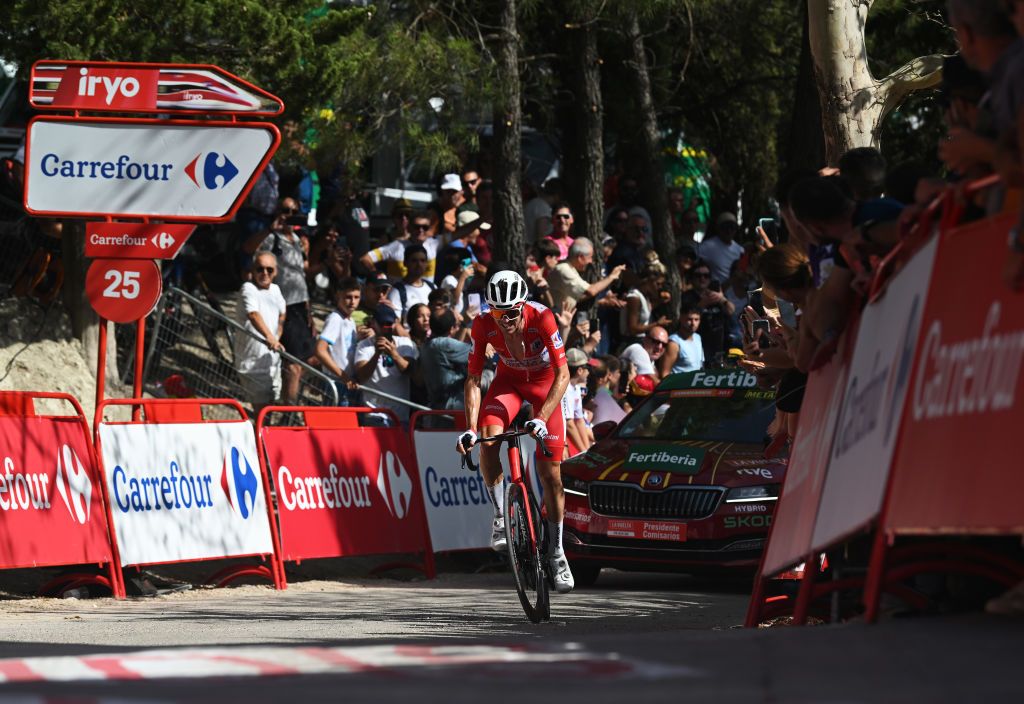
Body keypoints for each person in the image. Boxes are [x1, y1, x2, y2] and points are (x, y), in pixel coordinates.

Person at [456, 271, 574, 594]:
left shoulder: (543, 318)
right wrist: (469, 427)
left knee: (551, 474)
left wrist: (542, 416)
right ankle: (499, 515)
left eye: (510, 312)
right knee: (488, 438)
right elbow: (473, 378)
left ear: (522, 306)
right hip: (508, 384)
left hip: (544, 386)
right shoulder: (482, 325)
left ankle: (557, 552)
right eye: (497, 312)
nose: (504, 319)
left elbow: (564, 374)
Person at [244, 197, 316, 405]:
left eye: (294, 211)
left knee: (308, 359)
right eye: (286, 210)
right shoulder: (271, 237)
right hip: (285, 306)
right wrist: (270, 228)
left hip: (301, 306)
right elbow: (248, 249)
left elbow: (302, 276)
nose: (289, 216)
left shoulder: (297, 239)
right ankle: (289, 410)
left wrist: (309, 309)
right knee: (295, 364)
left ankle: (289, 402)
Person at [234, 253, 287, 416]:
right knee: (262, 413)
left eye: (269, 270)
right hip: (252, 363)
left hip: (272, 361)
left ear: (275, 272)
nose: (264, 273)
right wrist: (270, 338)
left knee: (269, 410)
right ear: (253, 270)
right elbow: (253, 315)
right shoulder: (248, 288)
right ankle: (260, 440)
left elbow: (282, 315)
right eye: (260, 269)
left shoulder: (276, 290)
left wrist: (276, 336)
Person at [354, 304, 418, 425]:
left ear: (395, 323)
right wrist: (376, 354)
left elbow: (410, 371)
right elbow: (361, 377)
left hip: (400, 416)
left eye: (389, 324)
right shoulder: (363, 345)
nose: (386, 328)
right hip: (374, 414)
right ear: (373, 323)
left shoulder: (405, 343)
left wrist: (394, 354)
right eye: (382, 324)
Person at [547, 238, 627, 314]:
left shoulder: (570, 268)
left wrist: (603, 301)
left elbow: (579, 295)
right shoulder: (564, 269)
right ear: (580, 257)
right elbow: (591, 291)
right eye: (590, 257)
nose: (591, 261)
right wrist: (612, 276)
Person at [316, 278, 363, 406]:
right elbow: (320, 350)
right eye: (348, 297)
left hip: (348, 382)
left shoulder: (350, 320)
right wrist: (342, 375)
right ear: (338, 295)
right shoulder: (335, 319)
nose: (352, 302)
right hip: (337, 383)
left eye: (356, 297)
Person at [359, 212, 441, 282]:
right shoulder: (396, 246)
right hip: (399, 296)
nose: (420, 230)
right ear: (409, 228)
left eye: (425, 227)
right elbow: (366, 258)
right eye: (417, 227)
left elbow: (453, 235)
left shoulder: (434, 244)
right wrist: (379, 277)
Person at [680, 262, 735, 366]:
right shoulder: (686, 297)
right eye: (698, 275)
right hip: (698, 345)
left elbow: (731, 310)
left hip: (720, 346)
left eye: (706, 276)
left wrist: (722, 299)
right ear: (691, 278)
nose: (702, 279)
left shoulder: (716, 295)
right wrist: (702, 304)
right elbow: (685, 318)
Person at [421, 309, 472, 410]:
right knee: (488, 376)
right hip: (453, 406)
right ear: (452, 328)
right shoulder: (443, 344)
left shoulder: (427, 345)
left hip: (440, 406)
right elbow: (477, 353)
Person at [387, 244, 436, 334]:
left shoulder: (433, 287)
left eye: (422, 260)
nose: (419, 264)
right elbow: (395, 324)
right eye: (414, 261)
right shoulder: (397, 291)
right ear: (405, 263)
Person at [699, 212, 745, 284]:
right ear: (718, 228)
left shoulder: (740, 250)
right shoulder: (707, 246)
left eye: (732, 227)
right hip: (715, 290)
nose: (729, 231)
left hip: (735, 292)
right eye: (725, 227)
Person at [561, 348, 592, 455]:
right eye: (588, 368)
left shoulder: (576, 389)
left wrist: (588, 450)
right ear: (579, 371)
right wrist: (584, 452)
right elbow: (569, 424)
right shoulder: (565, 388)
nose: (589, 372)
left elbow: (579, 421)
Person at [659, 307, 704, 376]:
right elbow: (664, 374)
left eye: (696, 320)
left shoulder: (697, 337)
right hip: (680, 385)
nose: (693, 323)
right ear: (681, 319)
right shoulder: (674, 343)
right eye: (689, 319)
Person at [524, 178, 562, 247]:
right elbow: (541, 236)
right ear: (557, 196)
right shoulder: (544, 208)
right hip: (532, 248)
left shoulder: (533, 203)